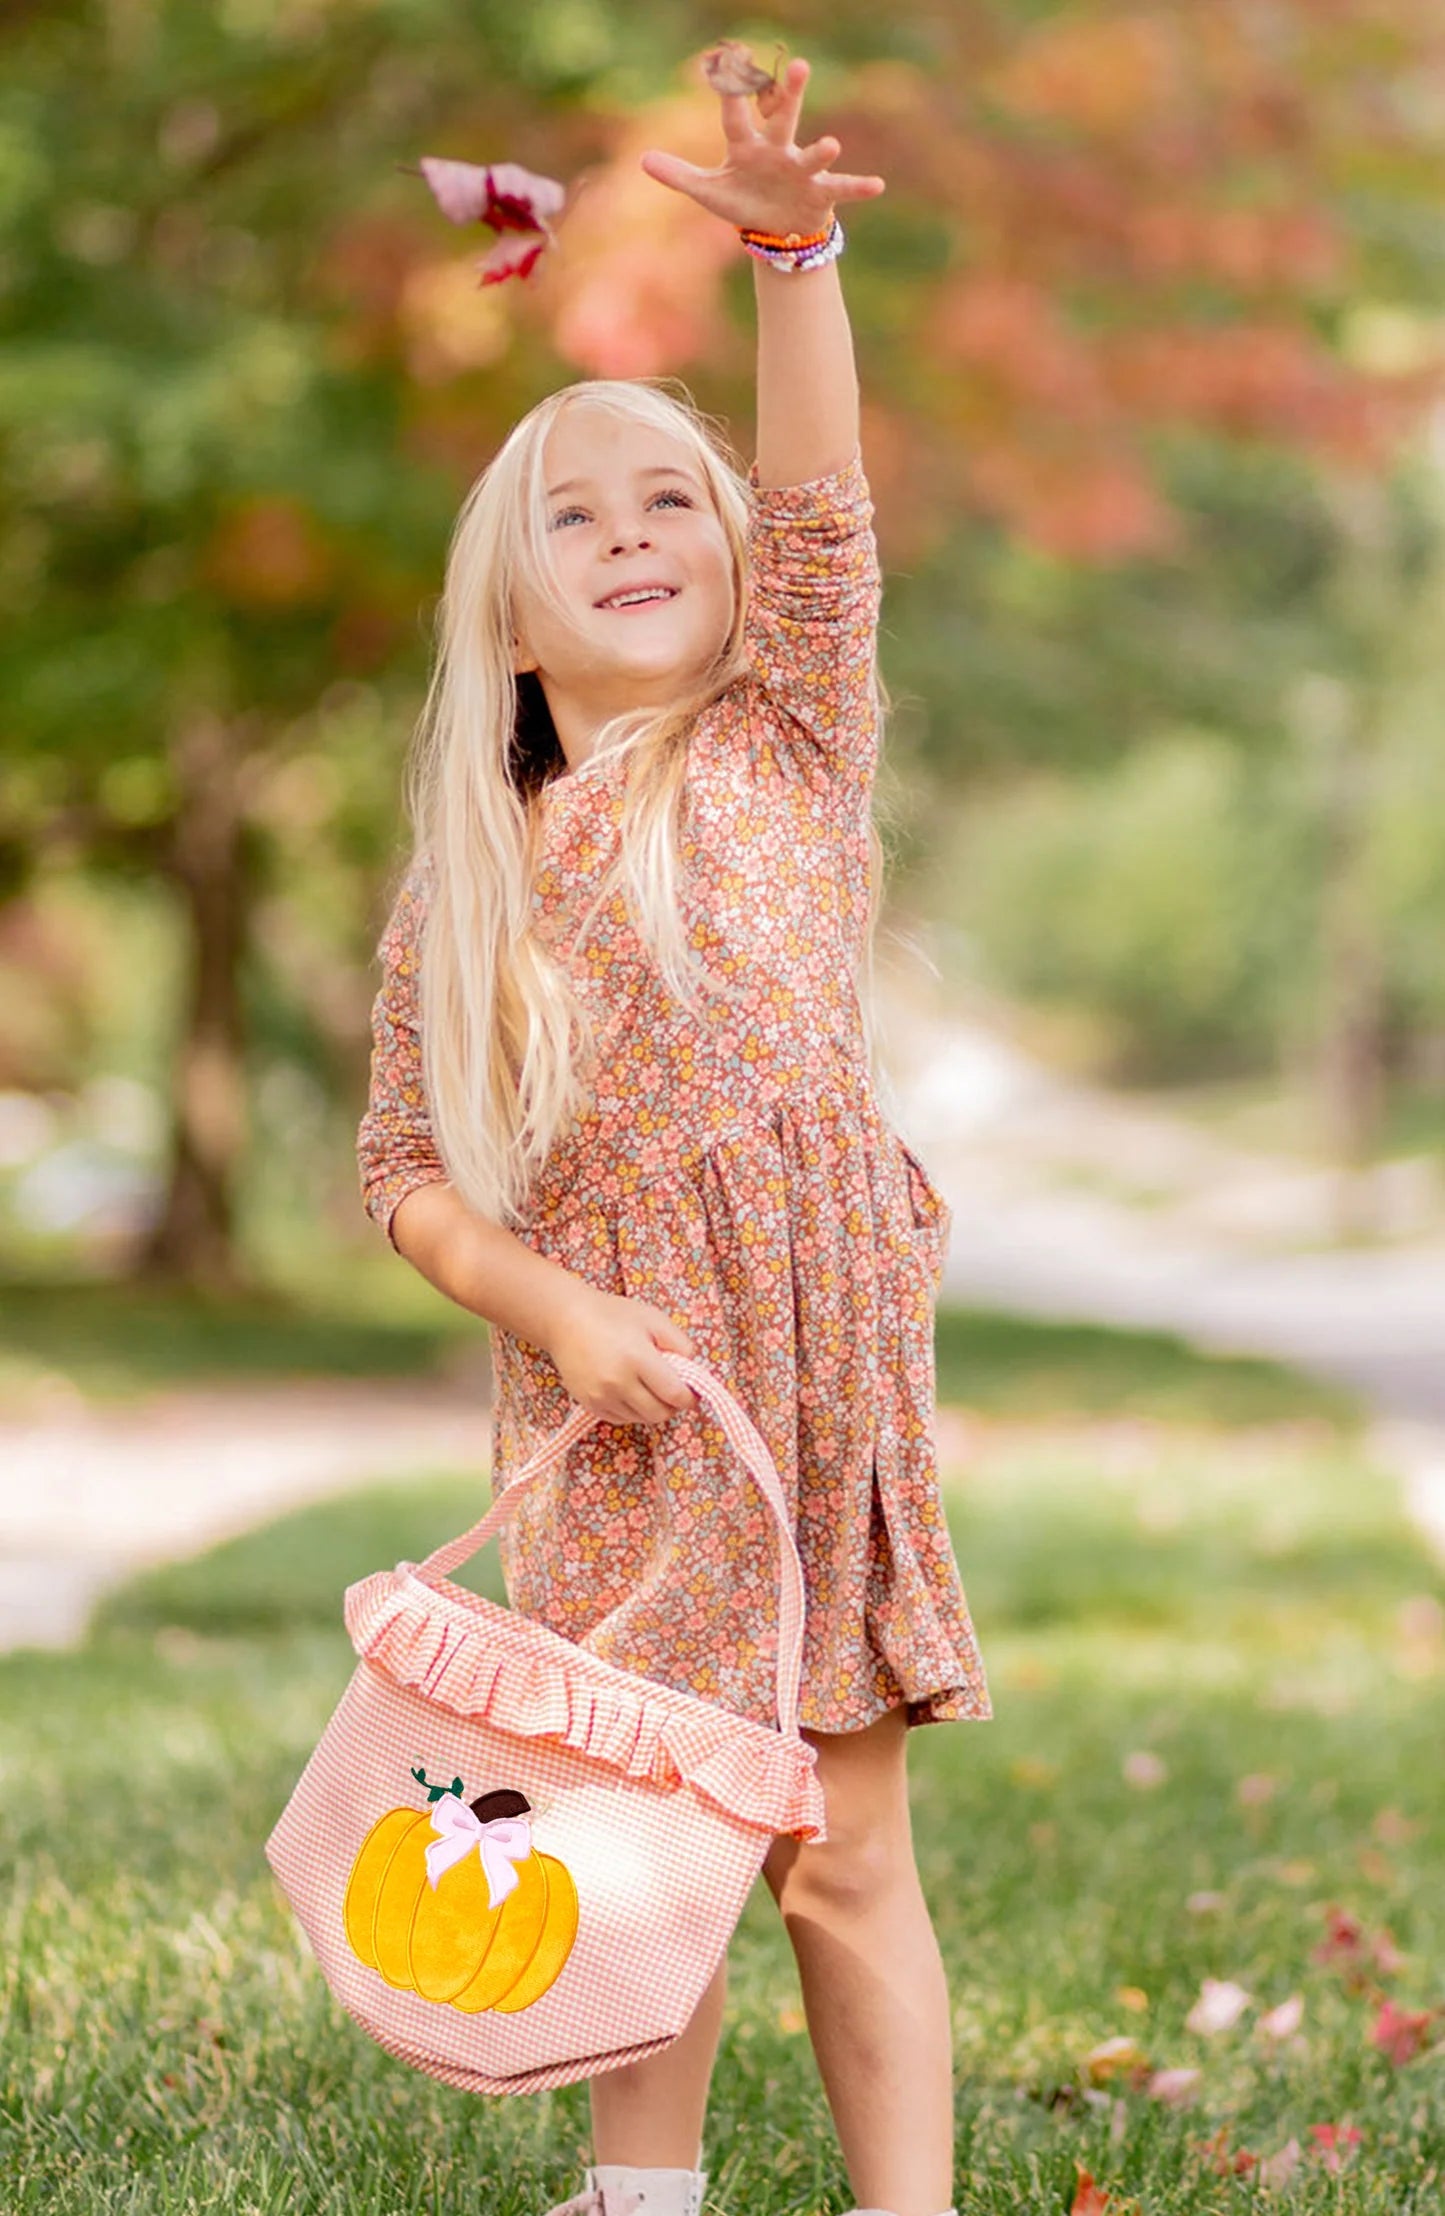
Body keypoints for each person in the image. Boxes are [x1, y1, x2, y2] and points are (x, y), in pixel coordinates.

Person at [355, 52, 991, 2216]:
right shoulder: (482, 860)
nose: (633, 536)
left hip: (808, 1368)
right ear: (510, 607)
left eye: (669, 503)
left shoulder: (791, 736)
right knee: (647, 1824)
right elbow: (406, 1180)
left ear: (736, 568)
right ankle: (648, 2199)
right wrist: (563, 1309)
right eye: (576, 513)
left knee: (847, 1845)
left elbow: (823, 493)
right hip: (631, 1389)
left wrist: (790, 255)